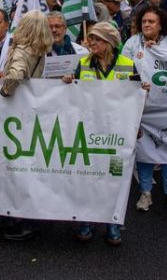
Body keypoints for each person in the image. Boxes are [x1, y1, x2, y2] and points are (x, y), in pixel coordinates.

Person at [63, 22, 147, 246]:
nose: (91, 43)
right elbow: (72, 98)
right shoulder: (82, 64)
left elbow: (137, 100)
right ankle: (87, 220)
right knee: (88, 177)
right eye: (90, 39)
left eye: (97, 39)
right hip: (90, 134)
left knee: (115, 178)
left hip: (117, 136)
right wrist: (68, 83)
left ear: (110, 42)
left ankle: (113, 222)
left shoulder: (127, 65)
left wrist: (143, 92)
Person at [0, 10, 52, 242]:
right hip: (29, 113)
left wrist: (5, 90)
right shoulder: (39, 51)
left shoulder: (22, 50)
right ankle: (19, 217)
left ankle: (23, 221)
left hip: (15, 114)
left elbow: (16, 75)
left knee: (13, 166)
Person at [123, 8, 167, 216]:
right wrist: (136, 83)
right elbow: (123, 70)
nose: (147, 25)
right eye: (144, 22)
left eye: (152, 22)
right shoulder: (132, 43)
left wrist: (158, 52)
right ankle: (145, 192)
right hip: (142, 107)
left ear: (160, 24)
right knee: (144, 151)